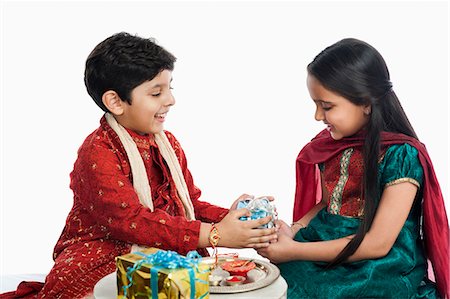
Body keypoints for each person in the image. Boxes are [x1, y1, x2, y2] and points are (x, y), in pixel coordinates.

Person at [1, 32, 277, 299]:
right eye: (156, 93)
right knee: (103, 288)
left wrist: (237, 221)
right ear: (115, 101)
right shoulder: (98, 151)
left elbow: (188, 205)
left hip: (164, 241)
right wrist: (216, 234)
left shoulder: (167, 142)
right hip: (104, 249)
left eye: (170, 88)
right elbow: (130, 222)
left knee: (197, 279)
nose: (170, 100)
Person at [257, 38, 449, 298]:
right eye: (315, 105)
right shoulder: (332, 146)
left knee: (313, 290)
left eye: (326, 106)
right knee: (272, 281)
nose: (317, 116)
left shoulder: (401, 154)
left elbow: (377, 244)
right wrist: (295, 228)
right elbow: (329, 203)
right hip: (324, 242)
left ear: (366, 103)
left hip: (375, 263)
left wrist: (292, 250)